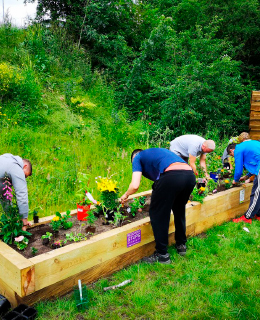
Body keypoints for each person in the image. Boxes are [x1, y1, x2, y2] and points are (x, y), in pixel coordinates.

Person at [120, 148, 196, 264]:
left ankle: (162, 255)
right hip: (189, 176)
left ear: (133, 157)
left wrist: (125, 195)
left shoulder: (138, 158)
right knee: (179, 209)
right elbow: (160, 179)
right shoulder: (156, 154)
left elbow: (135, 185)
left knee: (158, 214)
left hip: (172, 176)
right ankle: (181, 246)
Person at [227, 141, 260, 223]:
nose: (233, 156)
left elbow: (238, 169)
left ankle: (247, 217)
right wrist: (247, 176)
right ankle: (258, 214)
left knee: (256, 193)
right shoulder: (246, 145)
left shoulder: (238, 150)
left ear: (232, 150)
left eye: (232, 155)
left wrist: (236, 180)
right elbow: (255, 162)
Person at [0, 153, 32, 230]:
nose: (23, 178)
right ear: (25, 166)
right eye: (25, 176)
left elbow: (5, 197)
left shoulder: (6, 160)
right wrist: (24, 223)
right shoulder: (16, 168)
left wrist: (13, 219)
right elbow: (22, 195)